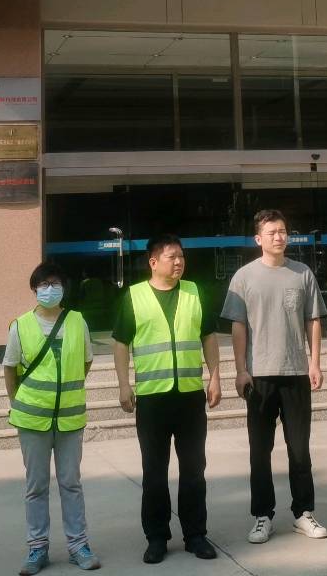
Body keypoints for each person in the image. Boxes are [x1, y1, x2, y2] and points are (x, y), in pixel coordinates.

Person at [220, 209, 327, 544]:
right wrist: (240, 369)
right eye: (271, 232)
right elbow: (238, 326)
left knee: (299, 449)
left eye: (283, 231)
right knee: (260, 450)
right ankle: (262, 516)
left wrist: (315, 363)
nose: (279, 237)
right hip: (259, 376)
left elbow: (313, 320)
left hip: (296, 372)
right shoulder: (244, 277)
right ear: (258, 238)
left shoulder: (302, 273)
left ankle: (303, 513)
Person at [112, 233, 222, 565]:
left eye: (181, 256)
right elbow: (121, 343)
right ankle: (157, 537)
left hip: (189, 396)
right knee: (154, 472)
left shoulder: (195, 292)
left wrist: (215, 376)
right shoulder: (134, 296)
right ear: (153, 262)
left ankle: (196, 535)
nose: (179, 262)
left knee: (194, 469)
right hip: (152, 398)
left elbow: (208, 336)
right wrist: (123, 384)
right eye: (172, 256)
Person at [4, 261, 102, 574]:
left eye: (55, 283)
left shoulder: (77, 321)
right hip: (32, 418)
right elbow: (10, 367)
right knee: (36, 486)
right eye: (44, 284)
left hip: (70, 418)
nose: (50, 289)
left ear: (64, 288)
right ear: (34, 289)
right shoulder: (20, 325)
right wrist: (17, 402)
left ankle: (78, 546)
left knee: (71, 484)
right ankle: (37, 548)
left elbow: (86, 362)